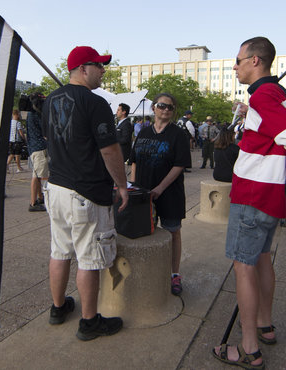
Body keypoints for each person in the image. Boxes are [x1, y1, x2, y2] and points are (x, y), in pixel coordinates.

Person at [212, 36, 286, 369]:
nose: (235, 66)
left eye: (238, 60)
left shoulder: (264, 94)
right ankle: (264, 325)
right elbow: (276, 131)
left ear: (255, 61)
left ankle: (248, 346)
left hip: (254, 193)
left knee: (244, 266)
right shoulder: (275, 95)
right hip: (267, 194)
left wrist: (279, 161)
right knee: (263, 258)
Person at [40, 46, 129, 341]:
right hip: (85, 192)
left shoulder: (49, 100)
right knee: (89, 258)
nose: (103, 70)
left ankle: (58, 308)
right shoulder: (94, 102)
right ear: (82, 68)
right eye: (99, 66)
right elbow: (109, 149)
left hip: (56, 188)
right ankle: (89, 322)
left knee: (60, 250)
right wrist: (122, 184)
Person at [130, 93, 191, 295]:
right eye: (162, 105)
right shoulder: (143, 132)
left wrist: (160, 188)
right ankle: (149, 270)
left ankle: (174, 274)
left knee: (173, 232)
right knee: (145, 231)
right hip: (143, 193)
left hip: (170, 193)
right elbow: (134, 160)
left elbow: (179, 165)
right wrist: (134, 186)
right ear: (154, 108)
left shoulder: (178, 134)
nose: (165, 109)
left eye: (170, 107)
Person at [26, 94, 48, 212]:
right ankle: (33, 203)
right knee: (37, 176)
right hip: (40, 148)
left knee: (38, 175)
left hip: (33, 148)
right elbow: (45, 130)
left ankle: (39, 198)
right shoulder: (37, 114)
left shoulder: (30, 114)